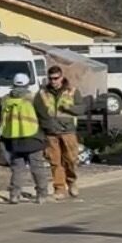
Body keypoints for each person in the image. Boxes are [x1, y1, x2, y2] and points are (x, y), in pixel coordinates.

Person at [0, 72, 51, 204]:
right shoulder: (33, 98)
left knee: (17, 168)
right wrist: (47, 133)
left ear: (13, 84)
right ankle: (42, 194)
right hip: (33, 137)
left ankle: (14, 195)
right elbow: (44, 117)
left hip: (13, 139)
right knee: (37, 167)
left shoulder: (4, 100)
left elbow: (0, 120)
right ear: (27, 84)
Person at [37, 67, 83, 200]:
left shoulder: (72, 91)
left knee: (70, 160)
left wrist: (69, 108)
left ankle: (72, 181)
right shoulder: (42, 93)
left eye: (56, 78)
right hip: (51, 133)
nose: (53, 81)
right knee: (55, 162)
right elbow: (38, 112)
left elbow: (81, 109)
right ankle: (59, 189)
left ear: (62, 77)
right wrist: (45, 127)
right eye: (51, 78)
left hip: (68, 131)